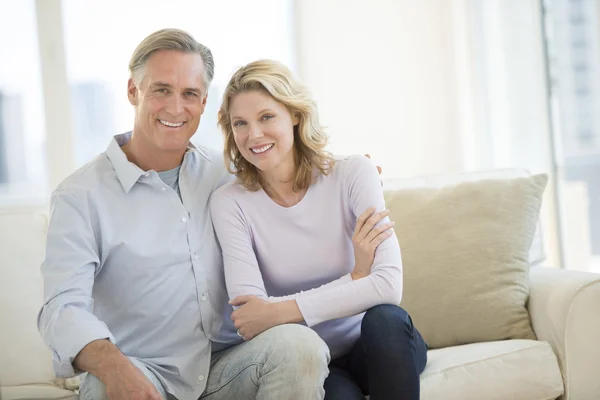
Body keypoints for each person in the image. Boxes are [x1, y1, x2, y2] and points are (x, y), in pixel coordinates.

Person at [37, 29, 332, 400]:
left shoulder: (225, 173)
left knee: (300, 347)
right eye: (162, 90)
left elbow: (290, 180)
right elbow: (61, 309)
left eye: (189, 94)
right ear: (133, 91)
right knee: (102, 387)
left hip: (230, 364)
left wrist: (339, 178)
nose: (176, 108)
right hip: (143, 370)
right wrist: (115, 367)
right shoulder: (80, 196)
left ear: (204, 102)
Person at [209, 59, 428, 400]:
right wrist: (356, 278)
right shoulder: (230, 202)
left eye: (267, 117)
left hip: (380, 345)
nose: (254, 135)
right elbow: (251, 319)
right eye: (241, 123)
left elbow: (387, 287)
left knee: (386, 318)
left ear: (295, 115)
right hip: (316, 358)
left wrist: (278, 310)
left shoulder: (354, 173)